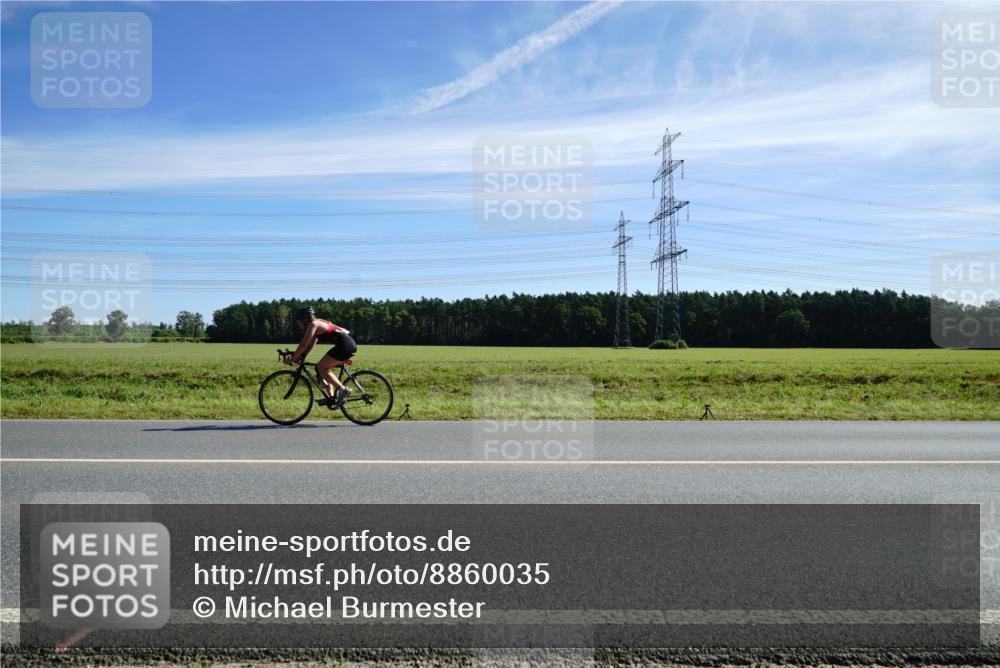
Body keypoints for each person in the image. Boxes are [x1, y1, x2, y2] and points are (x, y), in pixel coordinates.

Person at [286, 306, 356, 406]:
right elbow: (310, 344)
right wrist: (302, 356)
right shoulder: (317, 323)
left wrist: (293, 359)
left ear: (305, 319)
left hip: (345, 345)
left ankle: (344, 390)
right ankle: (331, 398)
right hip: (346, 344)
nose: (299, 324)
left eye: (299, 321)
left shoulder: (313, 324)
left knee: (321, 368)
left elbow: (303, 344)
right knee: (320, 369)